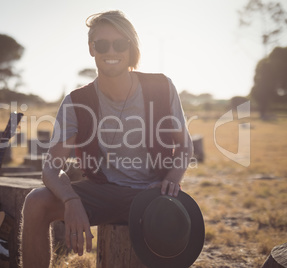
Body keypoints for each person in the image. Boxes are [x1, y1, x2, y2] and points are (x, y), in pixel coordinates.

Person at [20, 10, 193, 267]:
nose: (111, 51)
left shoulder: (161, 86)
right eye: (102, 44)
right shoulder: (76, 102)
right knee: (36, 201)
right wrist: (71, 200)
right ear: (92, 49)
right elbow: (51, 167)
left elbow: (184, 147)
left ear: (130, 47)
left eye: (119, 43)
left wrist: (170, 180)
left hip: (152, 192)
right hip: (102, 191)